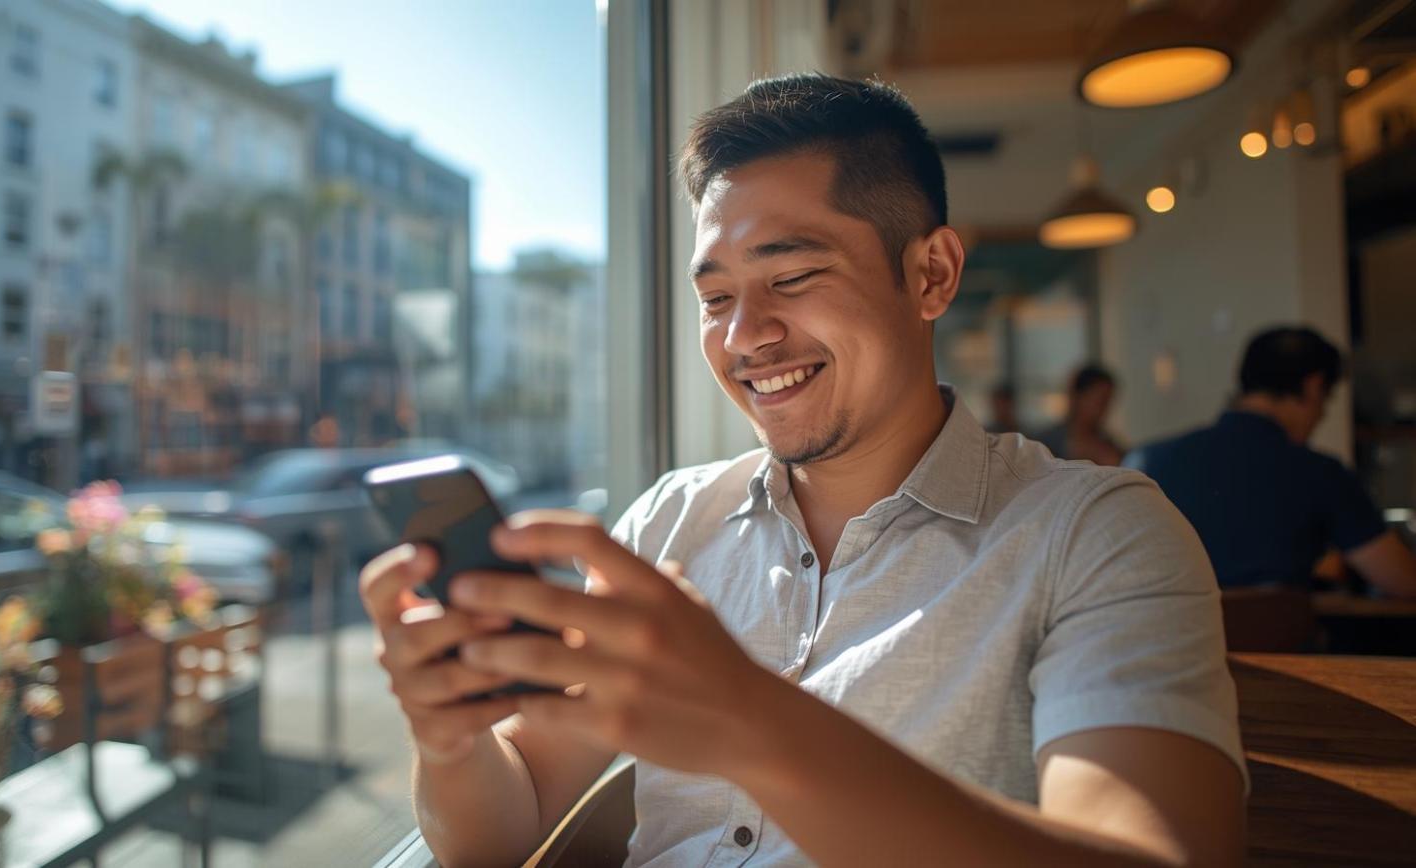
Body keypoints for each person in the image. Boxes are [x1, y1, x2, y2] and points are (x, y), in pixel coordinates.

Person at [361, 74, 1244, 866]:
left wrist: (752, 723)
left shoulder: (1097, 533)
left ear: (931, 273)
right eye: (714, 298)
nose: (743, 337)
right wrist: (449, 738)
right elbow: (503, 827)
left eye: (792, 276)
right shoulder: (673, 519)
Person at [1126, 327, 1416, 597]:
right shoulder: (1319, 473)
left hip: (1172, 643)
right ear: (1313, 386)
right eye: (1326, 400)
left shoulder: (1152, 461)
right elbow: (1400, 579)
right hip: (1279, 648)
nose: (1321, 416)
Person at [1035, 364, 1125, 465]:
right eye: (1100, 401)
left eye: (1108, 402)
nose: (1105, 409)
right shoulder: (1043, 446)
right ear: (1078, 397)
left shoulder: (1111, 448)